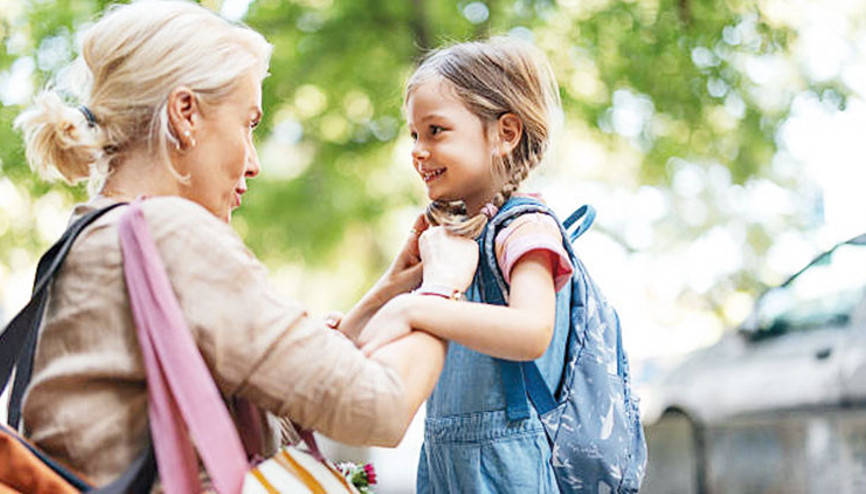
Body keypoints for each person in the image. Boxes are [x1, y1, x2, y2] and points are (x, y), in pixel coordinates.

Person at [11, 0, 478, 487]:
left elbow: (270, 389)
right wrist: (442, 289)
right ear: (185, 113)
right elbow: (377, 407)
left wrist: (386, 294)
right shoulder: (170, 232)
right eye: (248, 124)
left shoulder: (88, 235)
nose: (253, 162)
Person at [342, 38, 572, 493]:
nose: (418, 149)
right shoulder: (450, 243)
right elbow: (355, 347)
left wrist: (415, 308)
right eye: (414, 134)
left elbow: (532, 331)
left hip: (509, 466)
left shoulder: (524, 227)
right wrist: (393, 288)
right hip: (445, 460)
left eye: (436, 130)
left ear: (505, 133)